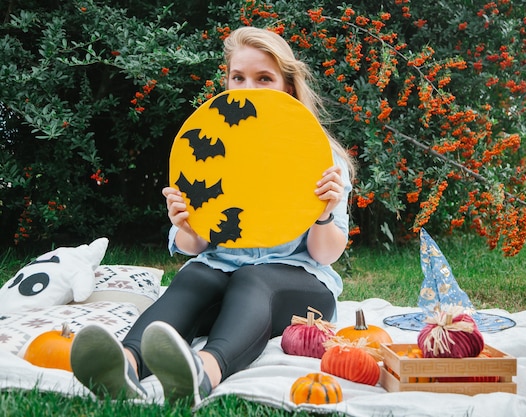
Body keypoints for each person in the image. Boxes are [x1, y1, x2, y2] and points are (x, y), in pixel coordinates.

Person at [70, 26, 354, 407]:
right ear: (227, 81)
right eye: (238, 78)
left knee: (254, 278)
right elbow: (193, 247)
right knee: (195, 276)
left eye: (264, 79)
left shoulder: (319, 156)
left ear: (288, 87)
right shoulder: (210, 147)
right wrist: (186, 224)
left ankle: (202, 371)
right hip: (222, 276)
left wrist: (324, 213)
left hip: (299, 288)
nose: (248, 89)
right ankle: (124, 363)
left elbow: (325, 255)